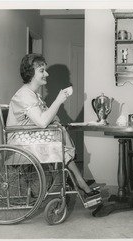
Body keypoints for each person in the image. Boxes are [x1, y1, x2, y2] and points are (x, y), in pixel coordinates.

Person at [6, 53, 100, 199]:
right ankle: (79, 181)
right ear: (31, 73)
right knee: (58, 134)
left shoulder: (33, 95)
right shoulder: (24, 95)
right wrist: (58, 100)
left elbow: (47, 118)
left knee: (60, 130)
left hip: (28, 135)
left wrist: (54, 117)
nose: (47, 74)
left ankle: (77, 179)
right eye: (42, 71)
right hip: (19, 141)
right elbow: (43, 122)